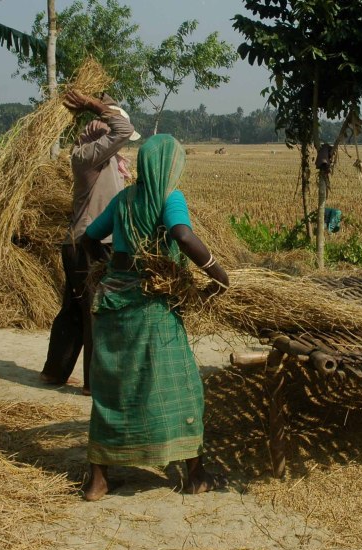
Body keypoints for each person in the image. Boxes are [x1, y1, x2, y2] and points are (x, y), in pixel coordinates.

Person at [79, 133, 230, 501]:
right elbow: (182, 235)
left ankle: (98, 480)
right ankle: (195, 475)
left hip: (114, 303)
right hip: (153, 308)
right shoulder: (169, 198)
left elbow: (89, 238)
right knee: (181, 385)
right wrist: (217, 273)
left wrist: (108, 268)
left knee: (114, 390)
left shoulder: (124, 199)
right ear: (169, 167)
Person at [39, 90, 141, 395]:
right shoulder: (87, 156)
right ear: (103, 132)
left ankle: (54, 372)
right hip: (87, 243)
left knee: (75, 307)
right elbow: (122, 129)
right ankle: (94, 383)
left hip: (85, 242)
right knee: (94, 310)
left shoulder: (105, 159)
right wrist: (94, 106)